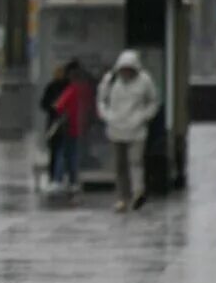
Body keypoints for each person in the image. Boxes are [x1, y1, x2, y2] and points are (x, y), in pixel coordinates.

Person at [97, 50, 159, 213]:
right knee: (120, 166)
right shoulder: (110, 80)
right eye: (123, 69)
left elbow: (153, 102)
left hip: (137, 129)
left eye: (129, 69)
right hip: (116, 128)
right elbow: (101, 100)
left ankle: (138, 192)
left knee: (135, 161)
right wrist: (107, 116)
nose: (126, 72)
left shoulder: (145, 80)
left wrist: (144, 117)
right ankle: (122, 198)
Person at [52, 60, 92, 193]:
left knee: (62, 153)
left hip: (68, 127)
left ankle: (58, 180)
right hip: (81, 127)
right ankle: (73, 181)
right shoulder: (86, 89)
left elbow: (58, 106)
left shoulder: (71, 90)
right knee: (74, 154)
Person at [39, 65, 71, 186]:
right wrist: (53, 107)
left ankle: (58, 176)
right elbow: (43, 104)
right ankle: (54, 176)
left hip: (63, 122)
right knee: (55, 151)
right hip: (54, 123)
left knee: (61, 151)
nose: (59, 75)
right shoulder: (52, 86)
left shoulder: (66, 86)